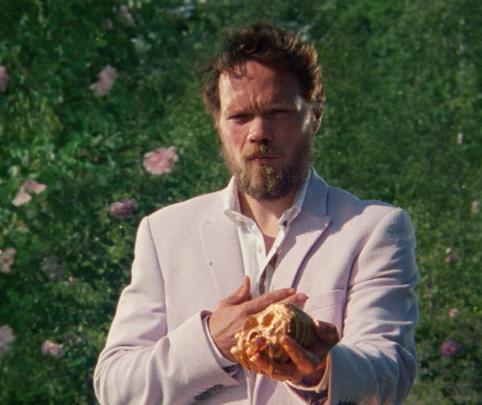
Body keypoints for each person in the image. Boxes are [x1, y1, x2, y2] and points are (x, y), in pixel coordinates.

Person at [94, 22, 419, 405]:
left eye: (277, 112)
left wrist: (319, 371)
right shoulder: (164, 233)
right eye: (240, 116)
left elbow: (389, 372)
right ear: (218, 124)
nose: (259, 132)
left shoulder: (373, 229)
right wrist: (211, 342)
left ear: (314, 116)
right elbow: (116, 387)